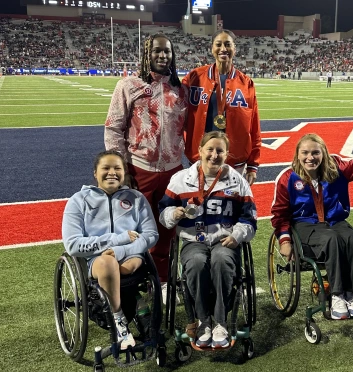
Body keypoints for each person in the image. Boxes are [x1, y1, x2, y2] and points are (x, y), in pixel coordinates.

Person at [105, 33, 187, 302]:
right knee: (134, 228)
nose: (163, 56)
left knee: (167, 229)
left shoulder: (180, 89)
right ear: (146, 54)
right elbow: (114, 127)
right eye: (157, 51)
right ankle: (133, 282)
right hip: (139, 168)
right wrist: (121, 169)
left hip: (172, 170)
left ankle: (161, 282)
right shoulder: (129, 85)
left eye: (167, 52)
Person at [159, 131, 257, 349]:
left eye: (220, 150)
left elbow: (250, 219)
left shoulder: (238, 182)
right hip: (193, 240)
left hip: (225, 240)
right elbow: (163, 215)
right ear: (200, 151)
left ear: (227, 154)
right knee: (194, 263)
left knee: (221, 261)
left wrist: (237, 235)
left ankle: (220, 322)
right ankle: (203, 321)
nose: (214, 155)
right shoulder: (180, 180)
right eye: (210, 149)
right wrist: (173, 214)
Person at [62, 150, 159, 349]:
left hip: (131, 257)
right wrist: (115, 240)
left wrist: (121, 251)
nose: (112, 173)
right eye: (106, 168)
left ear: (125, 173)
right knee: (107, 263)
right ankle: (120, 320)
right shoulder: (78, 201)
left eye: (117, 168)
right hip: (98, 261)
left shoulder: (136, 198)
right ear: (95, 173)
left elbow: (151, 235)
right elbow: (72, 244)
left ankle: (136, 303)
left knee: (130, 263)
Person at [271, 133, 353, 320]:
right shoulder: (287, 178)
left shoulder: (337, 169)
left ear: (324, 153)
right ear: (297, 155)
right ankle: (337, 294)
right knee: (331, 239)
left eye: (315, 152)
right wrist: (284, 240)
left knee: (352, 237)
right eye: (305, 152)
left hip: (334, 221)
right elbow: (280, 213)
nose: (310, 157)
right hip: (305, 224)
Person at [183, 29, 261, 186]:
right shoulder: (194, 77)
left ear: (235, 48)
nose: (223, 49)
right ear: (212, 48)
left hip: (234, 160)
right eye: (218, 44)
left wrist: (253, 165)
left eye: (228, 44)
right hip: (200, 157)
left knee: (230, 206)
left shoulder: (246, 83)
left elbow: (254, 127)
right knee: (198, 204)